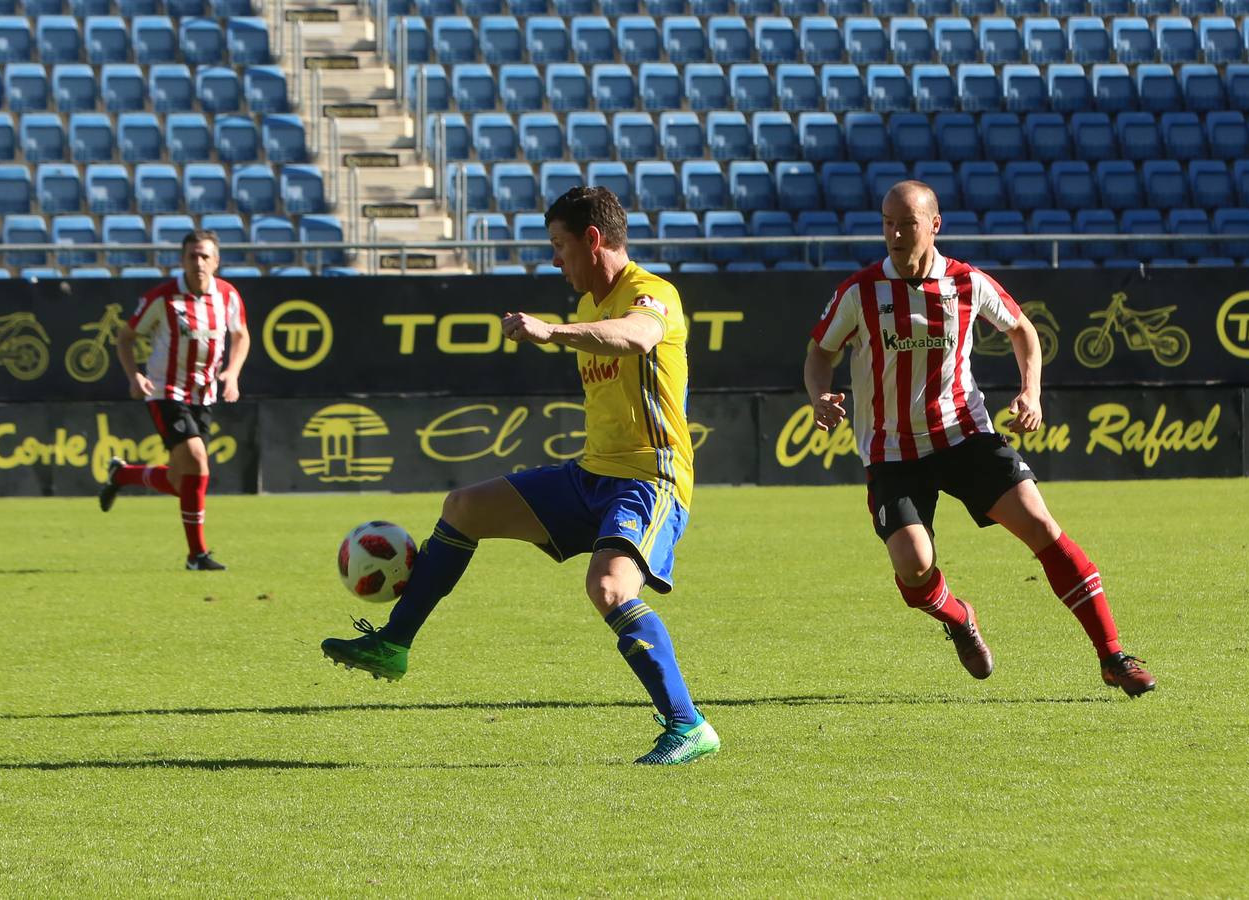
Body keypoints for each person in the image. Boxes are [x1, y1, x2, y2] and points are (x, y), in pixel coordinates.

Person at [321, 186, 720, 765]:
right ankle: (394, 642)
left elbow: (638, 336)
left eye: (559, 245)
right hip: (590, 475)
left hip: (649, 480)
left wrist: (550, 332)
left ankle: (688, 725)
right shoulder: (588, 307)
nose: (554, 258)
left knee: (609, 589)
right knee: (463, 507)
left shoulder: (651, 293)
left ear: (592, 239)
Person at [803, 180, 1156, 697]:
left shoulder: (967, 283)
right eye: (887, 223)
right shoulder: (860, 291)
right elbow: (819, 352)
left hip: (965, 436)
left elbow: (1021, 330)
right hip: (893, 451)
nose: (895, 234)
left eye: (907, 223)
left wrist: (1031, 393)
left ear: (934, 225)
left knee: (1042, 525)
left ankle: (1113, 656)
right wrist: (818, 395)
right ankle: (958, 617)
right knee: (914, 566)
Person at [98, 230, 249, 572]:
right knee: (198, 459)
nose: (198, 262)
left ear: (216, 261)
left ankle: (122, 475)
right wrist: (134, 375)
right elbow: (125, 338)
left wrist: (233, 372)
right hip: (166, 391)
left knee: (184, 481)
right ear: (182, 261)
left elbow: (241, 335)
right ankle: (197, 555)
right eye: (192, 256)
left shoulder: (227, 296)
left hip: (204, 394)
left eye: (204, 256)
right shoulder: (163, 298)